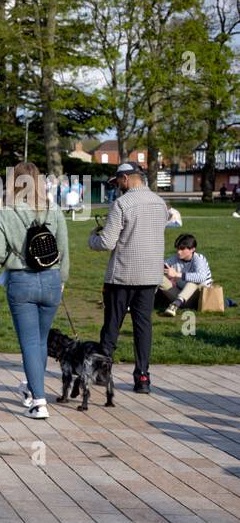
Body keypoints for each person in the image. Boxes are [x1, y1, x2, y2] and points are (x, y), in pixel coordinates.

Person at [0, 161, 70, 420]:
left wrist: (9, 259)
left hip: (21, 280)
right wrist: (62, 279)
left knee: (30, 343)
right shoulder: (53, 209)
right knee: (41, 341)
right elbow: (64, 249)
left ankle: (39, 400)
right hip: (51, 280)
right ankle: (31, 387)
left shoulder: (4, 213)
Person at [88, 161, 172, 394]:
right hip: (150, 275)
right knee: (143, 328)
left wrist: (92, 237)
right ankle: (143, 376)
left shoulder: (121, 204)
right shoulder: (160, 203)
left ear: (125, 179)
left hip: (122, 275)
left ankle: (103, 372)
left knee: (112, 325)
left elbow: (107, 242)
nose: (117, 187)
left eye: (117, 183)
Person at [158, 233, 212, 317]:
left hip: (197, 300)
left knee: (194, 281)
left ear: (192, 249)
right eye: (178, 248)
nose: (179, 252)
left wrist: (176, 274)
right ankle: (139, 303)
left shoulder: (199, 259)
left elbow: (201, 277)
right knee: (156, 276)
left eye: (182, 249)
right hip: (179, 296)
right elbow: (163, 265)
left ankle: (175, 305)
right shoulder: (175, 257)